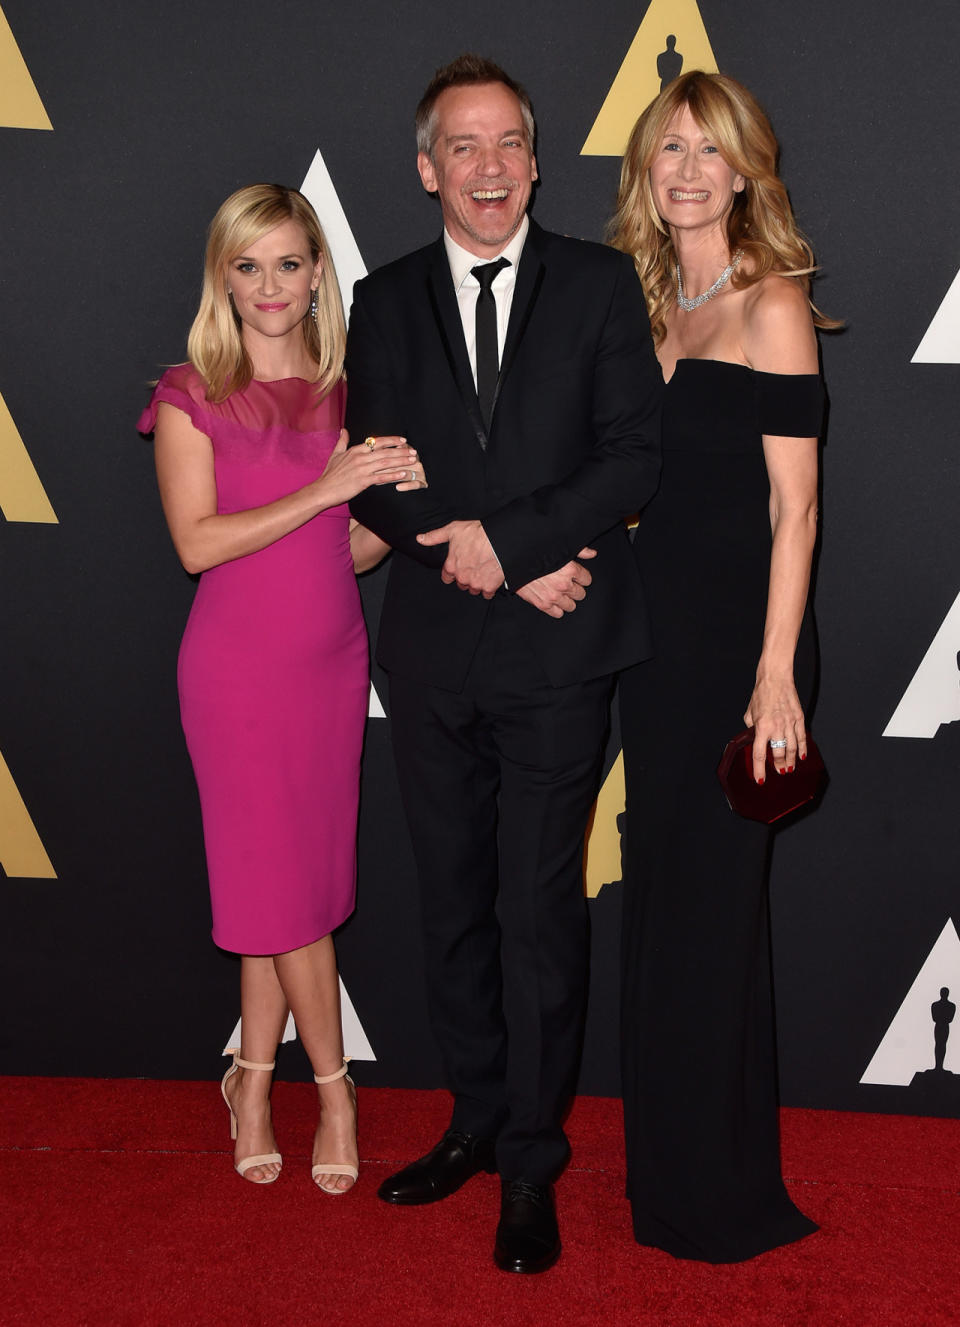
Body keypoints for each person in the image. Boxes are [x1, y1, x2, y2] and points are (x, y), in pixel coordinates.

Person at [345, 54, 662, 1273]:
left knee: (538, 916)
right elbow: (386, 464)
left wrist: (519, 544)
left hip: (563, 654)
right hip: (434, 656)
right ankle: (475, 1118)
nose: (489, 167)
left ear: (537, 159)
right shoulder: (384, 299)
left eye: (509, 144)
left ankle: (532, 1160)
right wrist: (490, 556)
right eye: (463, 147)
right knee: (453, 911)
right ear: (428, 169)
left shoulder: (598, 285)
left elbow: (634, 455)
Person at [138, 184, 425, 1192]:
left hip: (331, 664)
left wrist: (390, 502)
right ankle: (336, 1089)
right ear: (225, 275)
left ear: (317, 277)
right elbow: (197, 544)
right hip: (236, 672)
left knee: (284, 887)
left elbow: (341, 551)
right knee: (291, 894)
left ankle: (251, 1076)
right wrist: (325, 488)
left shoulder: (348, 391)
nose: (269, 284)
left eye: (288, 263)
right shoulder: (189, 391)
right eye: (248, 264)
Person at [609, 70, 836, 1261]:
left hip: (744, 653)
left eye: (710, 150)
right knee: (669, 911)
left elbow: (795, 510)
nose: (688, 169)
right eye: (669, 149)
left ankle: (716, 1192)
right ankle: (673, 1170)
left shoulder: (771, 303)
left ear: (747, 171)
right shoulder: (653, 303)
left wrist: (776, 672)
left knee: (711, 919)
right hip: (657, 646)